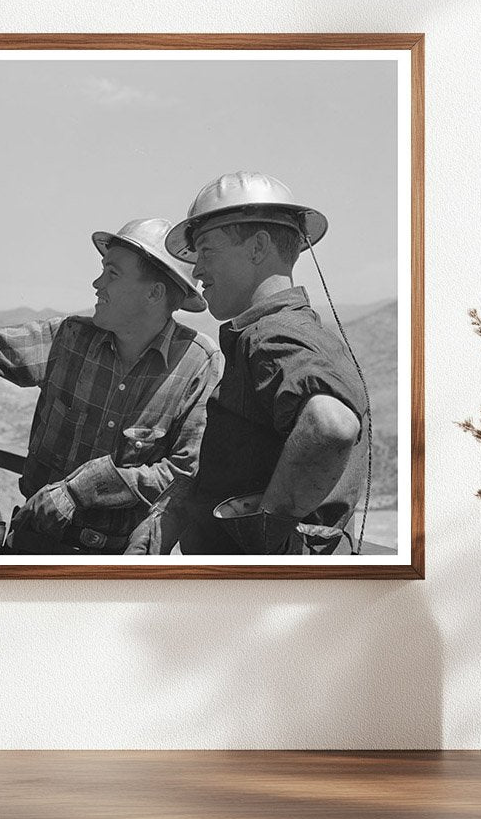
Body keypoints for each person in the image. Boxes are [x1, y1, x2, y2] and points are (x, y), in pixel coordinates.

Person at [0, 218, 222, 554]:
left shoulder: (198, 364)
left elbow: (186, 474)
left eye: (112, 273)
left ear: (154, 293)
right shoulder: (69, 339)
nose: (97, 283)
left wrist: (88, 486)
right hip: (35, 543)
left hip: (119, 562)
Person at [127, 171, 368, 556]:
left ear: (257, 248)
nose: (198, 271)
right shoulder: (292, 331)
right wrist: (174, 512)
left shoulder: (271, 336)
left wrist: (261, 538)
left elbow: (331, 425)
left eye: (207, 251)